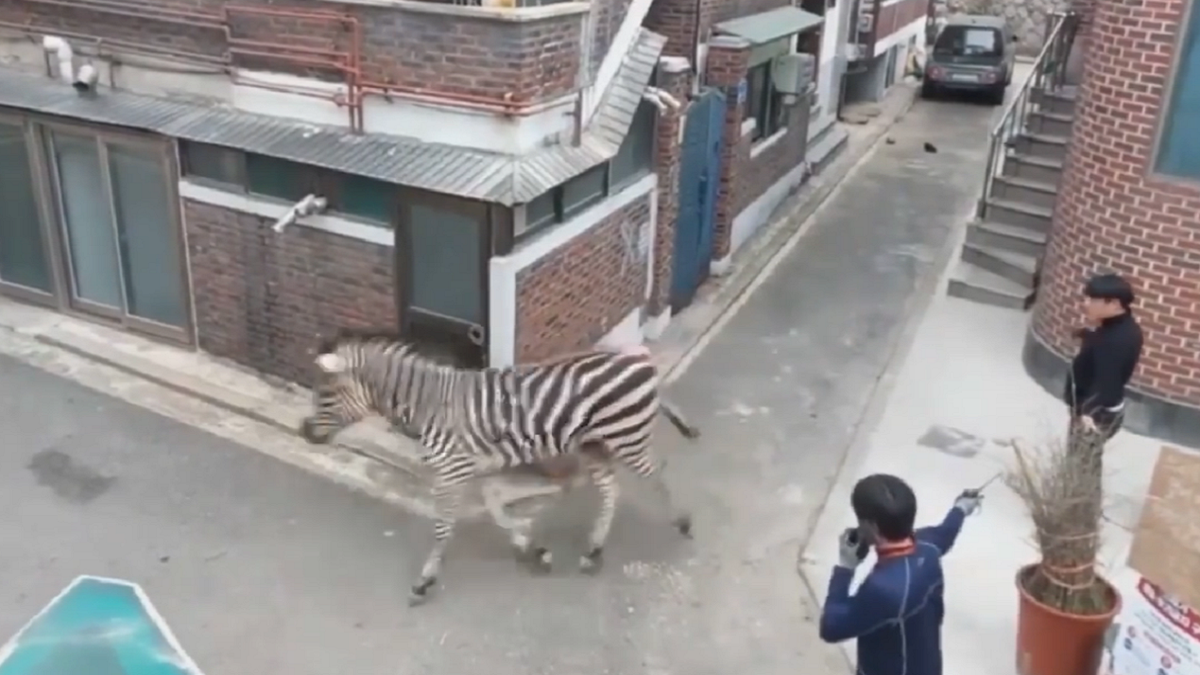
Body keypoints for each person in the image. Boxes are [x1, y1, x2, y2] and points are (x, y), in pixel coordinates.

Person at [815, 473, 982, 675]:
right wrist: (962, 507)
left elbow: (831, 627)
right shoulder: (928, 546)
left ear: (872, 526)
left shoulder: (884, 589)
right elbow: (947, 531)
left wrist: (845, 568)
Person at [1065, 272, 1144, 445]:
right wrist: (1086, 334)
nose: (1085, 304)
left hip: (1096, 415)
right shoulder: (1122, 327)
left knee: (1081, 466)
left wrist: (1088, 413)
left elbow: (1108, 382)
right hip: (1094, 407)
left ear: (1114, 303)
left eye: (1092, 300)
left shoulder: (1116, 341)